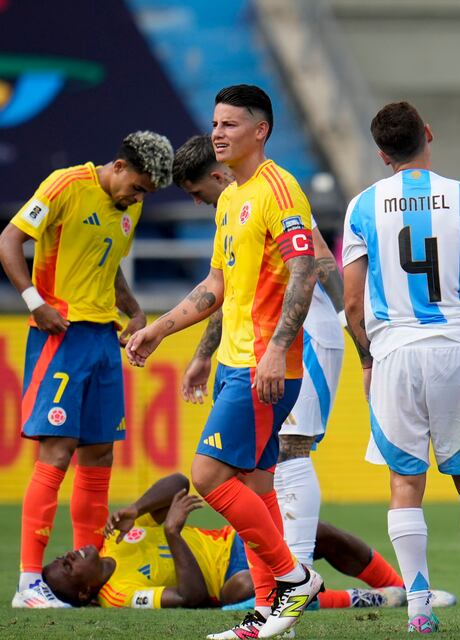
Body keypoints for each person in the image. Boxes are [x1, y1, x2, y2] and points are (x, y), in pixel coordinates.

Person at [125, 85, 321, 640]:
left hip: (265, 364)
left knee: (209, 477)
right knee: (256, 485)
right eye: (215, 123)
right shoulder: (233, 196)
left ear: (260, 130)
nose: (218, 132)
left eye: (231, 124)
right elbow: (217, 284)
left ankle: (291, 577)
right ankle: (265, 611)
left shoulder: (280, 191)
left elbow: (304, 272)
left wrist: (278, 349)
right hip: (237, 360)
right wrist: (160, 331)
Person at [343, 101, 460, 633]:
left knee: (405, 482)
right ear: (428, 134)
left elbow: (352, 304)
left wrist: (368, 358)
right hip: (457, 348)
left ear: (381, 153)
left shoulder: (363, 206)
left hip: (395, 349)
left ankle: (419, 606)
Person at [0, 131, 173, 609]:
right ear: (119, 165)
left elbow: (109, 261)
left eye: (145, 194)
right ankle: (29, 583)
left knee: (98, 456)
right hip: (61, 334)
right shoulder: (64, 185)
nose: (137, 198)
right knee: (56, 452)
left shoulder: (128, 208)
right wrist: (34, 303)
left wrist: (134, 309)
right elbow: (10, 239)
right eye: (136, 187)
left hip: (102, 340)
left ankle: (89, 575)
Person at [172, 134, 352, 579]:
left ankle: (297, 572)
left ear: (216, 175)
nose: (198, 205)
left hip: (302, 334)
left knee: (291, 449)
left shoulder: (273, 194)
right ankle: (279, 588)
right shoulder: (235, 206)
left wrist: (355, 331)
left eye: (197, 194)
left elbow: (316, 260)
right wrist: (203, 353)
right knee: (259, 469)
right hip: (261, 343)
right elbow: (234, 292)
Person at [41, 473, 455, 611]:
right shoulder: (119, 594)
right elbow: (192, 598)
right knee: (248, 588)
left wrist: (137, 507)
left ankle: (407, 590)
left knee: (317, 532)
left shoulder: (116, 540)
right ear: (84, 590)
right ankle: (375, 600)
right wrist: (171, 531)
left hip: (232, 540)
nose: (69, 555)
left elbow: (179, 483)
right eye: (66, 566)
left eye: (61, 557)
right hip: (230, 581)